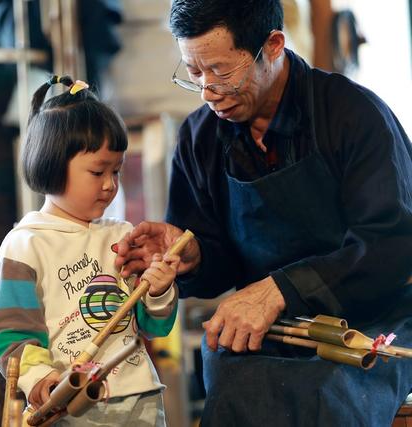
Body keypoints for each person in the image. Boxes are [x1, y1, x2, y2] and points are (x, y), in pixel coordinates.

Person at [114, 1, 412, 425]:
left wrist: (278, 290)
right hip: (271, 330)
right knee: (236, 387)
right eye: (194, 72)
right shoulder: (200, 138)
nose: (207, 91)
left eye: (220, 71)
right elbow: (221, 260)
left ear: (272, 46)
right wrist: (195, 254)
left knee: (325, 395)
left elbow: (389, 247)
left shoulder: (353, 116)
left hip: (372, 321)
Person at [0, 75, 181, 426]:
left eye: (117, 170)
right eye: (97, 171)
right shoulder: (25, 245)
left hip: (140, 398)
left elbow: (154, 327)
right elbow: (10, 335)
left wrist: (160, 290)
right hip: (74, 405)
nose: (110, 184)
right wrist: (42, 380)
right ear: (52, 163)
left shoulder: (123, 236)